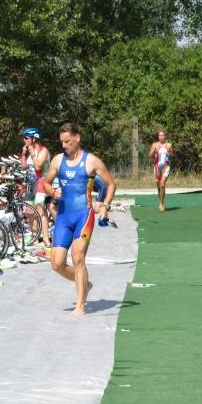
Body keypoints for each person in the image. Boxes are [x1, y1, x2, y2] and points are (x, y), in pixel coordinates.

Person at [43, 123, 116, 316]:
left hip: (84, 216)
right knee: (57, 264)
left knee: (78, 258)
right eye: (62, 142)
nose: (64, 145)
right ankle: (85, 283)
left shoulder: (91, 161)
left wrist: (105, 206)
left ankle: (80, 305)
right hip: (63, 217)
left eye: (67, 141)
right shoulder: (58, 160)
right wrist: (53, 192)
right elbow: (46, 183)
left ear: (77, 138)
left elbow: (110, 184)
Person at [20, 127, 52, 253]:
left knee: (40, 210)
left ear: (34, 139)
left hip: (41, 183)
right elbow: (24, 167)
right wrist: (23, 154)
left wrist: (32, 152)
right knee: (29, 211)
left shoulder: (44, 151)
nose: (24, 140)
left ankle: (46, 239)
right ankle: (34, 236)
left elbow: (38, 167)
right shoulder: (30, 151)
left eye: (26, 138)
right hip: (30, 184)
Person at [148, 130, 173, 212]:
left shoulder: (169, 145)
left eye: (163, 135)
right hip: (157, 167)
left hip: (166, 167)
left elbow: (172, 155)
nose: (161, 137)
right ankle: (160, 201)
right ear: (158, 136)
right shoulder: (154, 145)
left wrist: (169, 153)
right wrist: (153, 152)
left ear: (165, 136)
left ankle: (161, 203)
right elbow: (149, 155)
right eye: (160, 135)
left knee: (162, 185)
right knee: (159, 186)